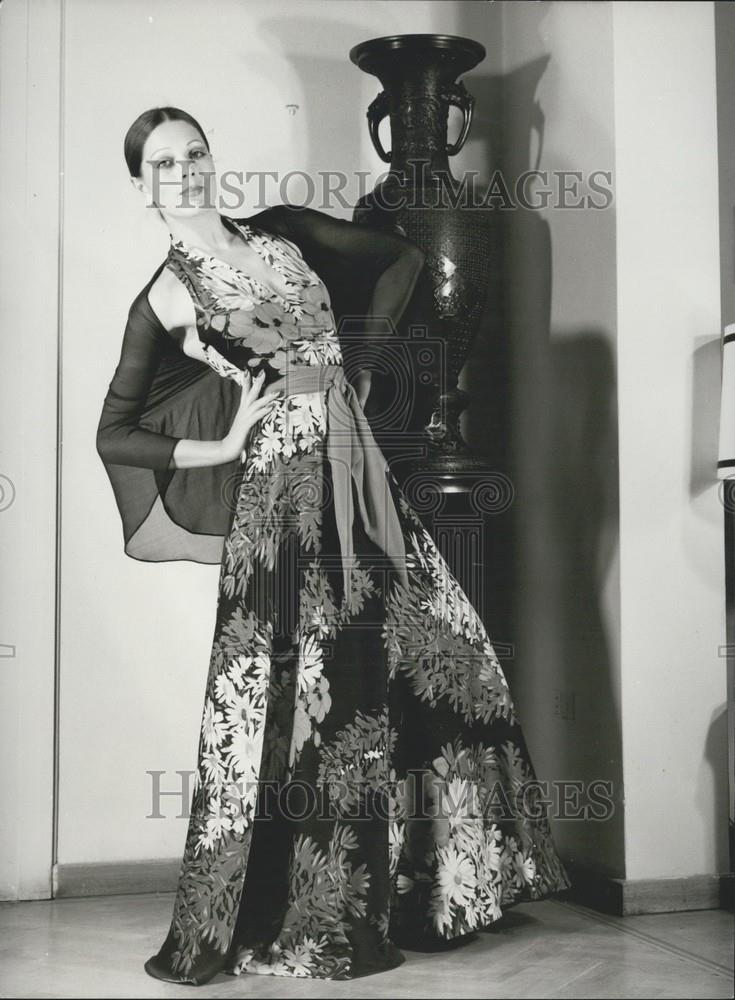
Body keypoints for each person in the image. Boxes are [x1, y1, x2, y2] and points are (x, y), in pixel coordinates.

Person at [96, 106, 571, 986]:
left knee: (452, 660)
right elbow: (115, 433)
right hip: (280, 505)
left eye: (196, 152)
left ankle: (441, 892)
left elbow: (401, 261)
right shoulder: (163, 297)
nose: (188, 171)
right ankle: (315, 910)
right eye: (165, 163)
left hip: (356, 468)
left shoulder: (279, 230)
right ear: (141, 187)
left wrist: (357, 362)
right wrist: (225, 444)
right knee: (317, 703)